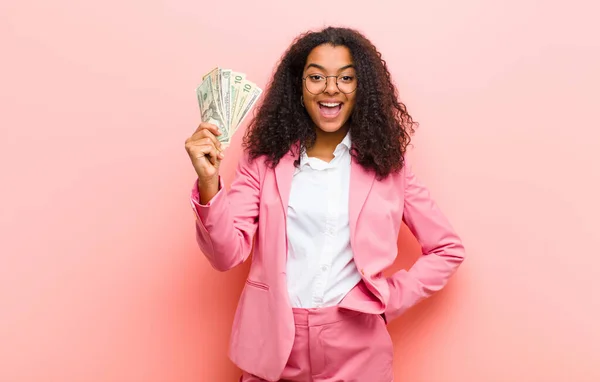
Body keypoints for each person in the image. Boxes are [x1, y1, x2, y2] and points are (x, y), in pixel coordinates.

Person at [184, 26, 466, 382]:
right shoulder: (263, 162)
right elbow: (225, 254)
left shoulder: (389, 167)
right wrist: (210, 184)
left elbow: (447, 249)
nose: (331, 88)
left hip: (358, 346)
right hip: (272, 345)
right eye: (316, 76)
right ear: (299, 88)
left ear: (360, 88)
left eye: (346, 78)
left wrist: (388, 298)